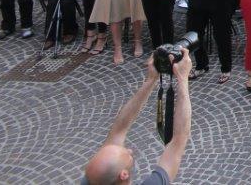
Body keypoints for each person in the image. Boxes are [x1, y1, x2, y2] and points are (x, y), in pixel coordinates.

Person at [81, 49, 192, 185]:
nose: (129, 150)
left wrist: (150, 80)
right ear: (124, 174)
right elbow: (179, 140)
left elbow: (119, 129)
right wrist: (182, 78)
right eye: (124, 153)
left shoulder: (91, 180)